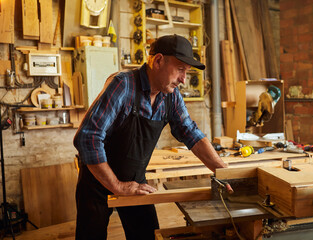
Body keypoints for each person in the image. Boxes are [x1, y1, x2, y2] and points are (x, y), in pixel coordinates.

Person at [73, 34, 227, 240]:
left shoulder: (170, 97)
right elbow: (87, 138)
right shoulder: (123, 85)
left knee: (147, 235)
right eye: (180, 69)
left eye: (186, 72)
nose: (183, 79)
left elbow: (191, 133)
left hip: (136, 181)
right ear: (158, 61)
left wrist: (224, 173)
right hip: (97, 180)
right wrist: (117, 186)